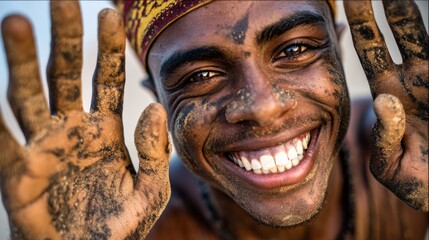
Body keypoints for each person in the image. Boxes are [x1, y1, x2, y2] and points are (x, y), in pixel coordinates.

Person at [0, 0, 427, 239]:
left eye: (294, 49)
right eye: (201, 76)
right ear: (160, 100)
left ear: (336, 46)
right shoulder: (139, 232)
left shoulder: (415, 155)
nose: (262, 107)